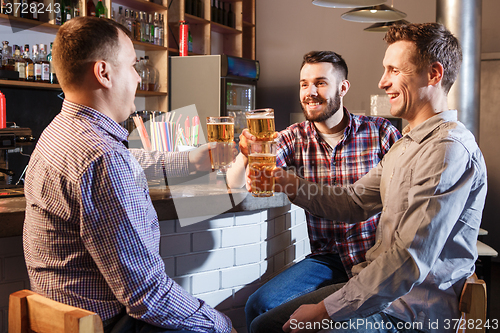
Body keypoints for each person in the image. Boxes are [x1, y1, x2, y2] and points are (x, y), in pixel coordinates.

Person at [250, 22, 487, 333]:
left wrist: (324, 311)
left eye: (394, 71)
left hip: (408, 312)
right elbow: (353, 202)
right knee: (263, 323)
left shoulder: (447, 150)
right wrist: (286, 181)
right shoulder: (407, 144)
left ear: (434, 74)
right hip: (379, 292)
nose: (382, 82)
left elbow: (408, 259)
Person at [23, 17, 235, 333]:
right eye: (134, 66)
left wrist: (194, 161)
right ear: (104, 73)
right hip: (111, 324)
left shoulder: (60, 132)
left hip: (64, 318)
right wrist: (221, 325)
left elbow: (131, 160)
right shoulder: (101, 157)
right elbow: (147, 295)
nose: (138, 78)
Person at [226, 51, 401, 330]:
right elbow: (235, 184)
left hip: (373, 256)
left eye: (320, 83)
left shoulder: (381, 133)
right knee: (258, 305)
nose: (310, 92)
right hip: (328, 259)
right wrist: (247, 153)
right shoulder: (294, 136)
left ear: (342, 88)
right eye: (304, 84)